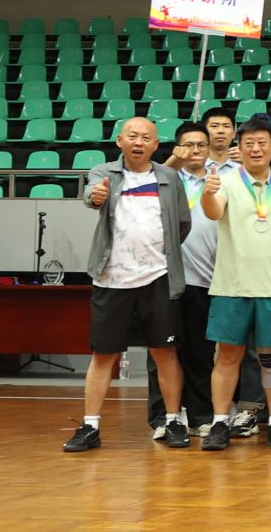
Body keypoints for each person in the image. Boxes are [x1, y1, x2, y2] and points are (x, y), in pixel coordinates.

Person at [66, 117, 193, 452]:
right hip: (112, 279)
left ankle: (173, 421)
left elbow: (183, 222)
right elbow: (92, 197)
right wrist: (96, 196)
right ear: (119, 141)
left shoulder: (169, 177)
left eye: (146, 137)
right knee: (103, 354)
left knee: (165, 352)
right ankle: (90, 426)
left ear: (156, 145)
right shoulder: (103, 172)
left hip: (159, 278)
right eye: (132, 136)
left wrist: (159, 253)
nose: (139, 142)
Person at [199, 117, 271, 452]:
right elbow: (213, 212)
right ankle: (220, 422)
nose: (256, 149)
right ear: (240, 147)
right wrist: (207, 193)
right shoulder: (226, 181)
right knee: (227, 357)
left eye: (262, 143)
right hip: (231, 287)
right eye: (249, 143)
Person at [145, 124, 219, 439]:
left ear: (209, 149)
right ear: (177, 148)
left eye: (201, 144)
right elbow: (148, 183)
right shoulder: (166, 177)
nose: (195, 150)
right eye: (188, 145)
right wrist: (173, 162)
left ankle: (200, 415)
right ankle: (162, 418)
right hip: (163, 277)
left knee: (200, 353)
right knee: (161, 351)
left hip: (204, 277)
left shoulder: (219, 180)